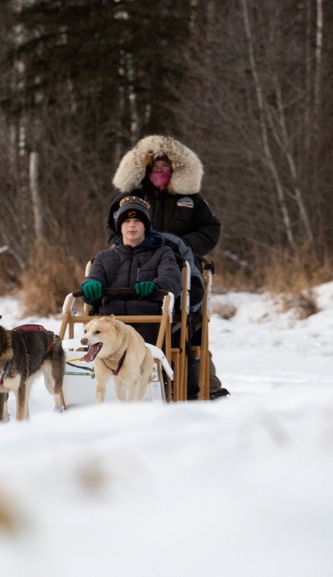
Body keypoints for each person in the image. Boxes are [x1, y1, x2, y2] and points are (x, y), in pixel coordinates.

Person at [106, 135, 229, 400]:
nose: (160, 172)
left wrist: (181, 245)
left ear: (175, 170)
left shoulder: (190, 200)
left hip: (181, 265)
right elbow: (112, 228)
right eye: (155, 168)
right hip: (134, 264)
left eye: (165, 168)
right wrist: (128, 242)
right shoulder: (131, 198)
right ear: (145, 169)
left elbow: (211, 229)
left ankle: (204, 382)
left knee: (189, 324)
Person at [81, 196, 182, 347]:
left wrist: (157, 286)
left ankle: (150, 369)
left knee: (143, 341)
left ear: (146, 227)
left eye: (137, 221)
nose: (131, 226)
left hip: (148, 318)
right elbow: (95, 277)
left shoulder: (162, 253)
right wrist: (90, 285)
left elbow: (171, 278)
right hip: (111, 320)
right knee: (99, 336)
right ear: (119, 227)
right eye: (126, 222)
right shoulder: (104, 257)